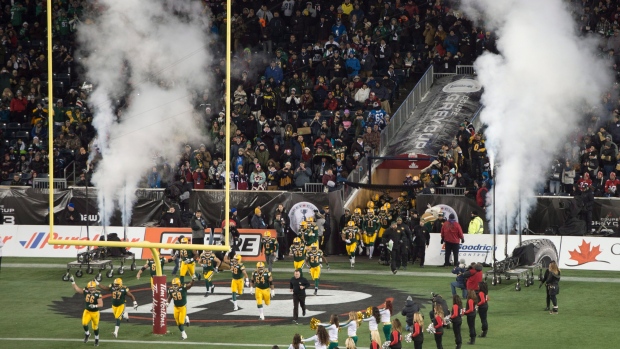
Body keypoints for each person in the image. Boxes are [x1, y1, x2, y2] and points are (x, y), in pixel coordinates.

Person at [70, 277, 103, 346]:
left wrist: (95, 306)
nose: (90, 289)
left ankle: (97, 339)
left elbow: (101, 304)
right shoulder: (86, 291)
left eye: (92, 287)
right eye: (89, 287)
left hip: (95, 312)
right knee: (84, 323)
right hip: (87, 311)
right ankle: (87, 334)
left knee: (95, 327)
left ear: (94, 287)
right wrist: (73, 282)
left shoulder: (98, 294)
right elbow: (78, 290)